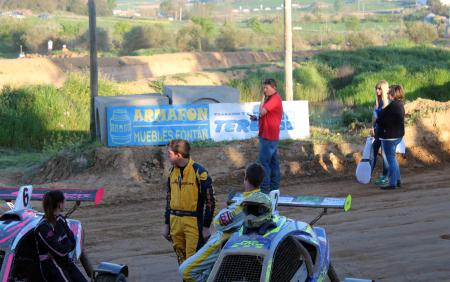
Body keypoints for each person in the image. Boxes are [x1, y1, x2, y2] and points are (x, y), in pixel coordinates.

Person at [179, 163, 265, 282]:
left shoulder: (244, 206)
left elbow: (218, 223)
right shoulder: (263, 199)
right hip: (241, 243)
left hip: (223, 242)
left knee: (185, 271)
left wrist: (228, 209)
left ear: (246, 178)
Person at [163, 139, 217, 265]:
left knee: (192, 264)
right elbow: (169, 199)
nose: (167, 157)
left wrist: (206, 226)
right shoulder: (171, 173)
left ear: (179, 155)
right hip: (175, 221)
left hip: (193, 223)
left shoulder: (200, 172)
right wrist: (166, 224)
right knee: (182, 262)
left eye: (169, 154)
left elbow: (210, 201)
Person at [34, 190, 87, 282]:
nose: (65, 203)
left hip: (65, 262)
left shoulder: (60, 219)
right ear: (59, 204)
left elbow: (73, 242)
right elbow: (60, 252)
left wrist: (64, 246)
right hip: (51, 266)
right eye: (64, 201)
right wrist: (66, 245)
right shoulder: (42, 228)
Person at [249, 78, 283, 194]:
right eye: (263, 88)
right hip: (269, 135)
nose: (264, 90)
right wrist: (256, 118)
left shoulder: (274, 99)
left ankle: (265, 191)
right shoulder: (274, 98)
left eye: (266, 88)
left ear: (274, 88)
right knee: (273, 163)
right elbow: (264, 115)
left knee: (264, 164)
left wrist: (263, 98)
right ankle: (274, 189)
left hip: (268, 136)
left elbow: (262, 111)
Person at [376, 85, 405, 190]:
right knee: (393, 159)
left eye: (389, 93)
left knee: (391, 160)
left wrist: (377, 118)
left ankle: (393, 183)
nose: (387, 94)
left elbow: (381, 120)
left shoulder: (392, 107)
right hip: (398, 136)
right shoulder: (400, 105)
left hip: (389, 137)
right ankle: (397, 180)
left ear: (393, 95)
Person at [371, 80, 390, 186]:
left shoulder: (387, 103)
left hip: (385, 132)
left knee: (384, 154)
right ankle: (368, 174)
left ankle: (385, 176)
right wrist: (372, 127)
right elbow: (374, 116)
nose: (377, 90)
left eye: (379, 88)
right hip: (377, 130)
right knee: (372, 151)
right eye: (376, 88)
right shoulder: (376, 102)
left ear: (384, 89)